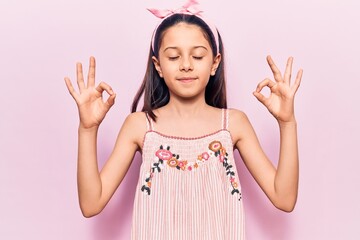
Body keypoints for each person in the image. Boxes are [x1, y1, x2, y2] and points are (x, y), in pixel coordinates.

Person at [64, 1, 302, 239]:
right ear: (158, 65)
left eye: (197, 56)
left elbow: (284, 198)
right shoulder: (140, 127)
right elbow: (91, 204)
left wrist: (287, 122)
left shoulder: (233, 125)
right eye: (174, 56)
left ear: (214, 63)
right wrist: (87, 129)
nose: (186, 65)